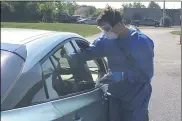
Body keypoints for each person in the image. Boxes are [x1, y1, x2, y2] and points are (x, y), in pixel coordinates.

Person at [73, 6, 154, 121]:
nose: (106, 32)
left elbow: (146, 75)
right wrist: (71, 55)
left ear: (119, 24)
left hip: (136, 96)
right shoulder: (106, 41)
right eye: (103, 29)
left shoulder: (140, 42)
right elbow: (90, 52)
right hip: (115, 94)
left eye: (107, 28)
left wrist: (121, 76)